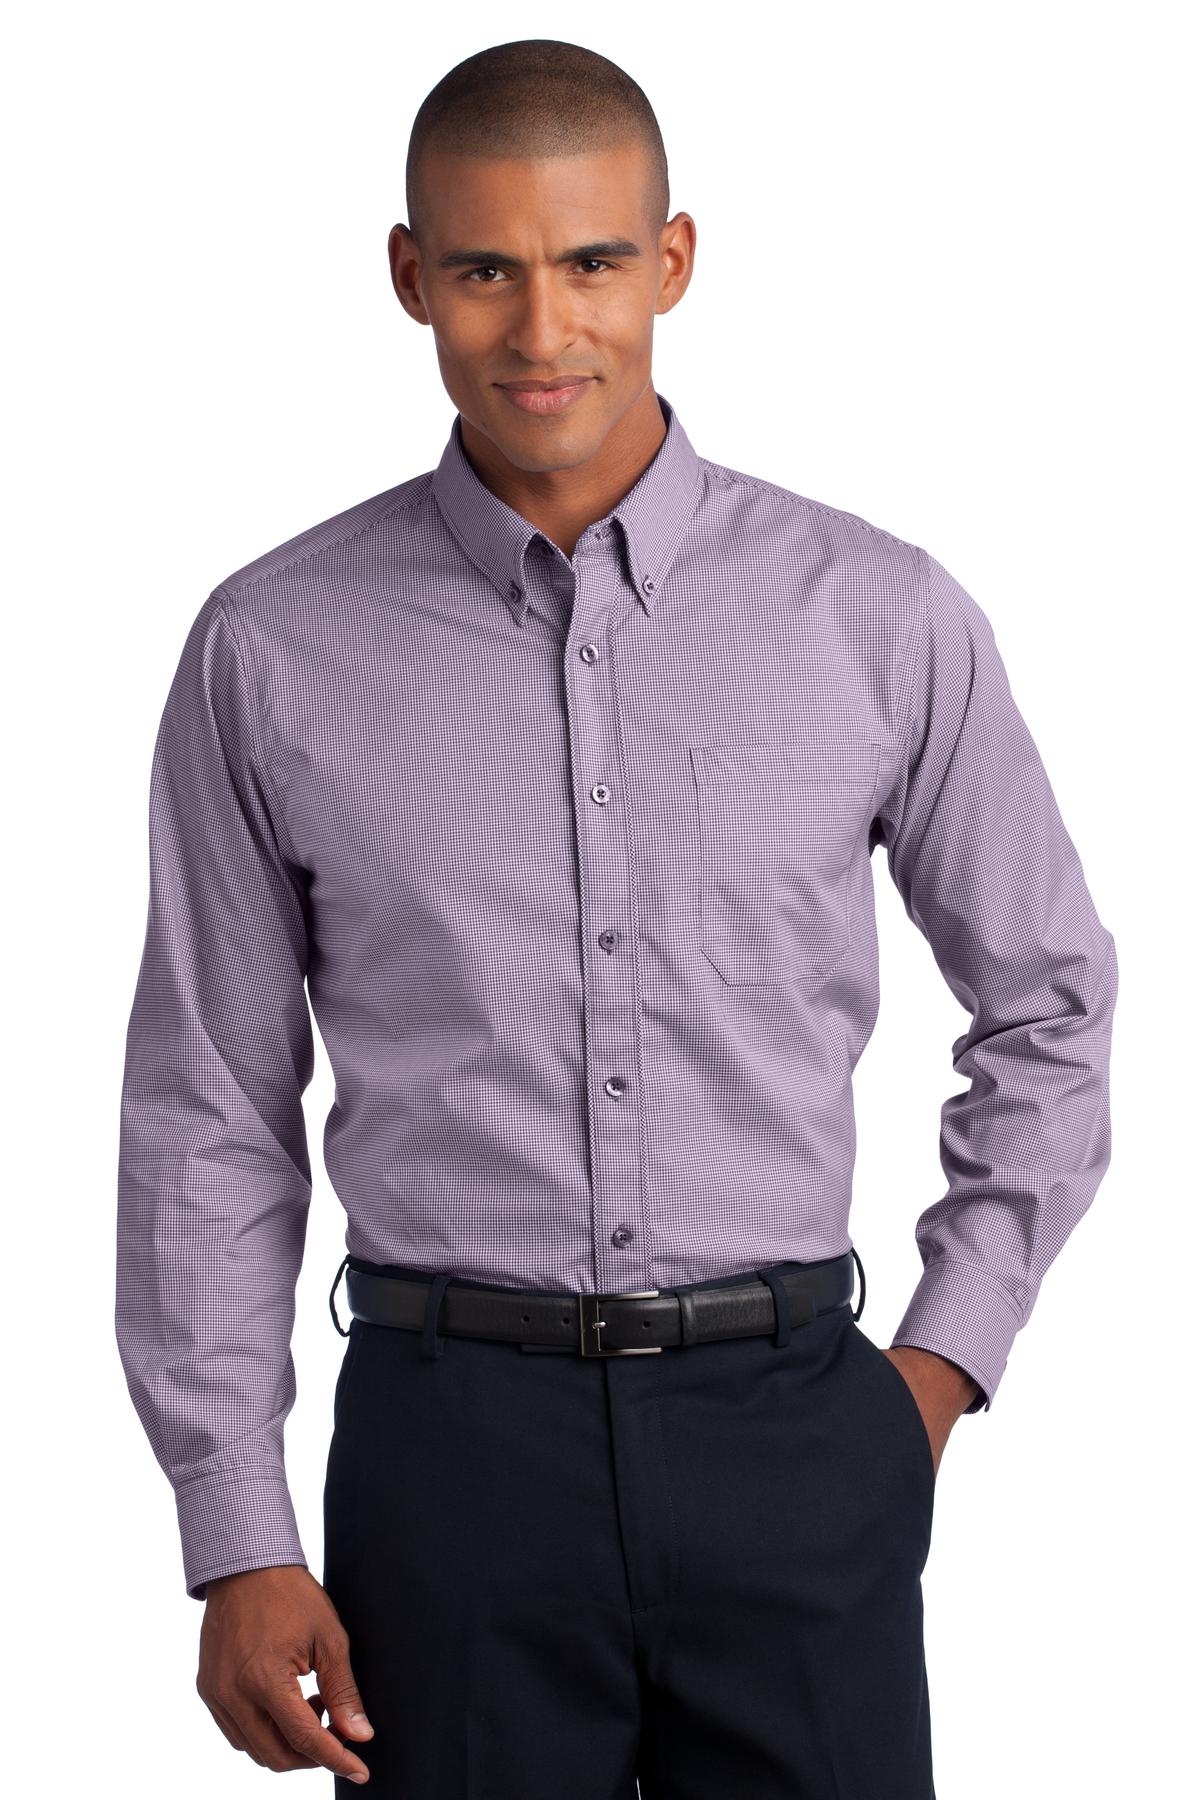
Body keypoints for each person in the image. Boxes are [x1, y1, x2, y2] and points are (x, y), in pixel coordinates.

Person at [114, 35, 1118, 1800]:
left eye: (589, 262)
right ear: (409, 275)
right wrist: (235, 1530)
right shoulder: (273, 650)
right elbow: (209, 1103)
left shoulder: (875, 615)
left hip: (796, 1429)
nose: (542, 328)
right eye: (484, 270)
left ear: (672, 261)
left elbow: (1047, 1006)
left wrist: (937, 1369)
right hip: (449, 1460)